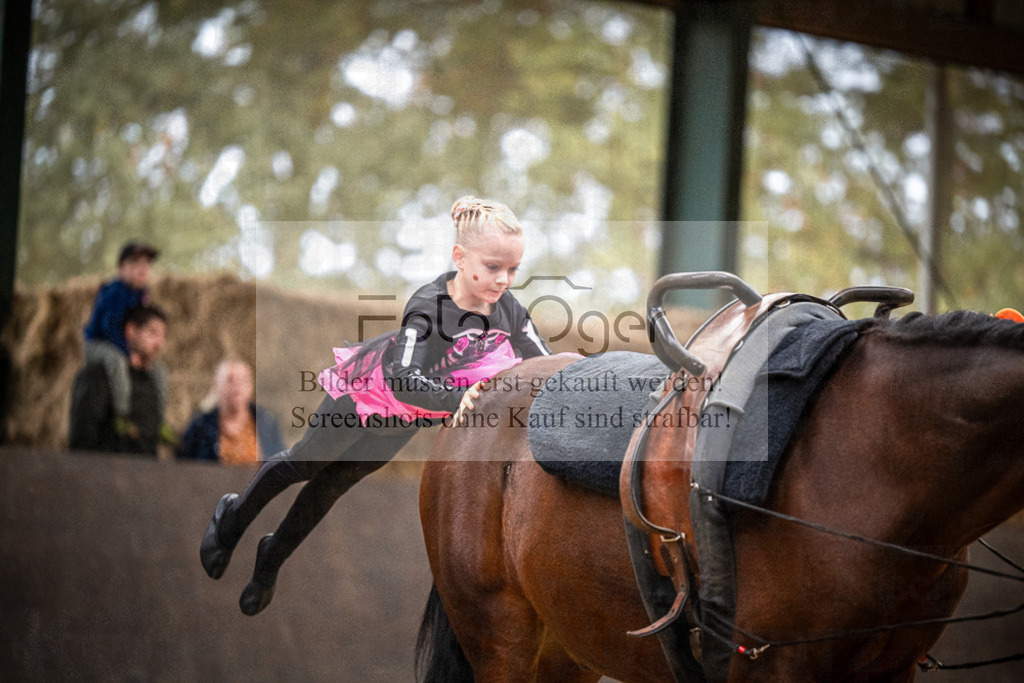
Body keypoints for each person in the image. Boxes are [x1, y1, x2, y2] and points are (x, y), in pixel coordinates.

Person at [200, 196, 551, 616]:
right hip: (365, 396)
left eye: (513, 270)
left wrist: (574, 381)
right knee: (306, 464)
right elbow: (402, 379)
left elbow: (543, 363)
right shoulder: (429, 305)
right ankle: (232, 516)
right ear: (459, 257)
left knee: (333, 485)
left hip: (405, 419)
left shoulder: (509, 310)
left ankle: (272, 555)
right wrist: (457, 399)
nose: (504, 280)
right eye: (493, 267)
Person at [82, 241, 167, 435]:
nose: (143, 268)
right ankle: (122, 415)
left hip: (123, 345)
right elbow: (109, 329)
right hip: (98, 343)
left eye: (147, 263)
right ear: (121, 269)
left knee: (158, 370)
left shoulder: (143, 295)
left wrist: (143, 351)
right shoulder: (114, 292)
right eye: (135, 263)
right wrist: (130, 354)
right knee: (117, 362)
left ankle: (160, 422)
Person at [69, 304, 169, 456]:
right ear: (131, 330)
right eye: (152, 333)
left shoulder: (153, 381)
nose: (159, 344)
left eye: (162, 336)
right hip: (105, 468)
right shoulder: (98, 377)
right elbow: (83, 438)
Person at [177, 359, 285, 466]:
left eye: (243, 381)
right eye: (230, 380)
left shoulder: (267, 422)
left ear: (251, 387)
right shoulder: (200, 427)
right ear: (215, 386)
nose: (237, 387)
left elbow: (280, 464)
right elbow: (182, 466)